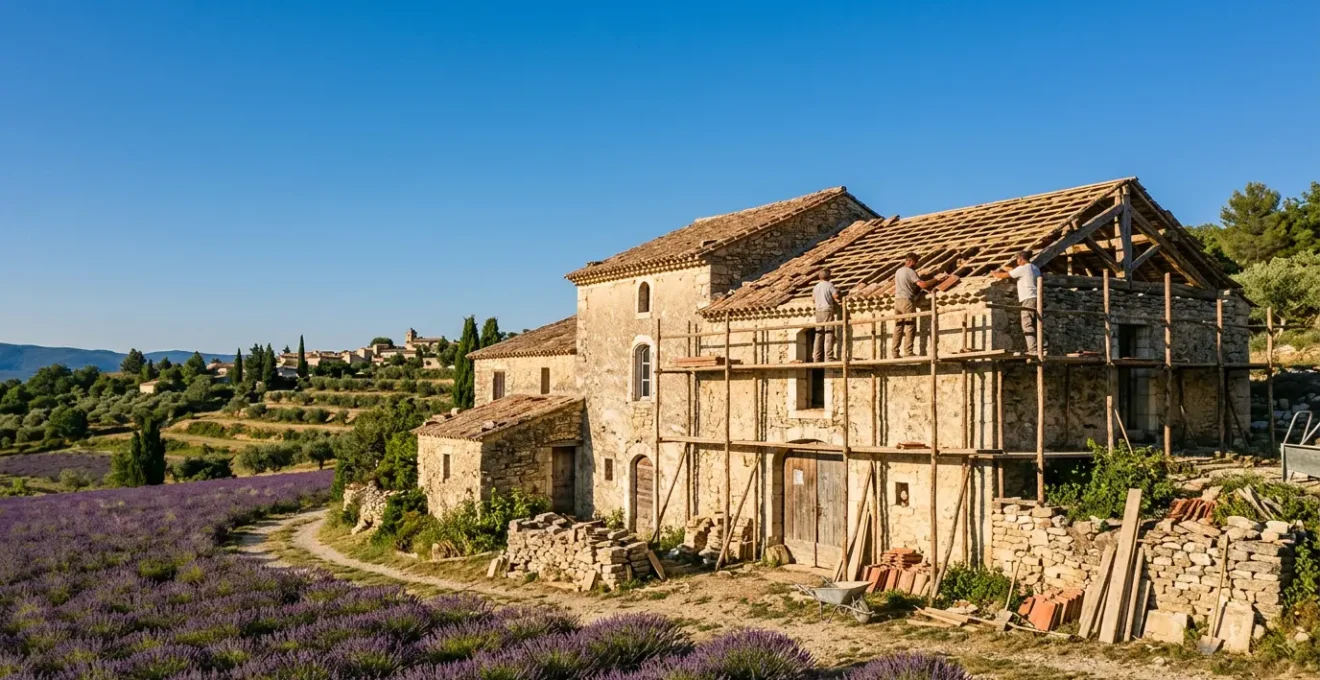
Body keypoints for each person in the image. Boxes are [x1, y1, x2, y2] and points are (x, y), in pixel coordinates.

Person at [891, 253, 946, 358]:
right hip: (907, 301)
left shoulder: (898, 271)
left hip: (897, 301)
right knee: (910, 325)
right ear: (911, 261)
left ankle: (894, 352)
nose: (916, 264)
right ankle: (908, 352)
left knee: (898, 326)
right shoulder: (910, 271)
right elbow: (922, 284)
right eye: (915, 262)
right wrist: (936, 279)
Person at [993, 250, 1046, 355]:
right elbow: (1014, 271)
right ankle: (1044, 347)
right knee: (1037, 323)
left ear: (1021, 259)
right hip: (1036, 298)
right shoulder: (1035, 268)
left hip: (1028, 298)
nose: (1017, 262)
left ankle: (1033, 350)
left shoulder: (1022, 269)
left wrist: (994, 273)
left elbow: (1004, 275)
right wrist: (1003, 267)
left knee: (1027, 324)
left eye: (1017, 260)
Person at [811, 269, 841, 362]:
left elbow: (813, 299)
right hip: (827, 310)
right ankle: (829, 357)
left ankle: (816, 357)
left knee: (819, 334)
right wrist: (838, 292)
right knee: (829, 333)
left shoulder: (816, 287)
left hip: (818, 311)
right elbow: (836, 296)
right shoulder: (829, 285)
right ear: (829, 276)